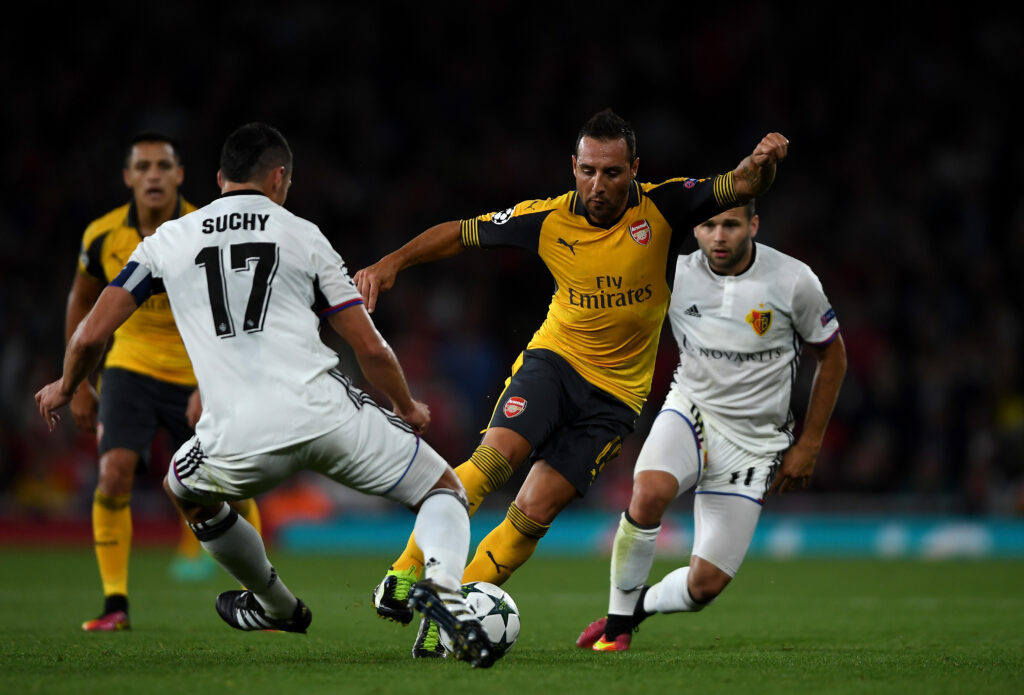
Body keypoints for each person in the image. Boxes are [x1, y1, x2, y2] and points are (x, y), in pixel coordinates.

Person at [37, 122, 496, 668]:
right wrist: (405, 405)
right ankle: (444, 589)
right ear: (279, 177)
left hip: (236, 435)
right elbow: (369, 348)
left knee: (182, 486)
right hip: (326, 416)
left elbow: (90, 334)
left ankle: (275, 603)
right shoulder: (302, 234)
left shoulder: (168, 240)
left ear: (217, 179)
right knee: (443, 489)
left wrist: (67, 387)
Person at [354, 108, 790, 658]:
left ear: (635, 168)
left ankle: (450, 611)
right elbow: (460, 234)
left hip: (615, 398)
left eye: (611, 172)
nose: (597, 185)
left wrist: (763, 161)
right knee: (496, 460)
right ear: (574, 167)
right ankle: (404, 572)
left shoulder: (665, 206)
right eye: (587, 171)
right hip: (554, 363)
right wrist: (392, 264)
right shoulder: (548, 219)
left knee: (535, 510)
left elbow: (747, 183)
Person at [576, 201, 847, 651]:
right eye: (708, 225)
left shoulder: (795, 281)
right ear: (695, 230)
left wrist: (810, 444)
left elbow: (832, 356)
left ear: (753, 225)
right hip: (692, 410)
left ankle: (636, 608)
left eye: (731, 225)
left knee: (704, 587)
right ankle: (618, 628)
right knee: (649, 491)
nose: (719, 236)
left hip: (755, 443)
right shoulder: (674, 274)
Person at [67, 132, 263, 632]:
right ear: (128, 177)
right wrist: (81, 381)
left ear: (180, 175)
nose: (153, 174)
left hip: (197, 372)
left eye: (163, 166)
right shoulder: (102, 236)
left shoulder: (208, 229)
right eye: (143, 166)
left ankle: (259, 597)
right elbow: (82, 303)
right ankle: (115, 605)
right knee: (113, 473)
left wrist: (214, 380)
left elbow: (238, 315)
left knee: (229, 485)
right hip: (128, 367)